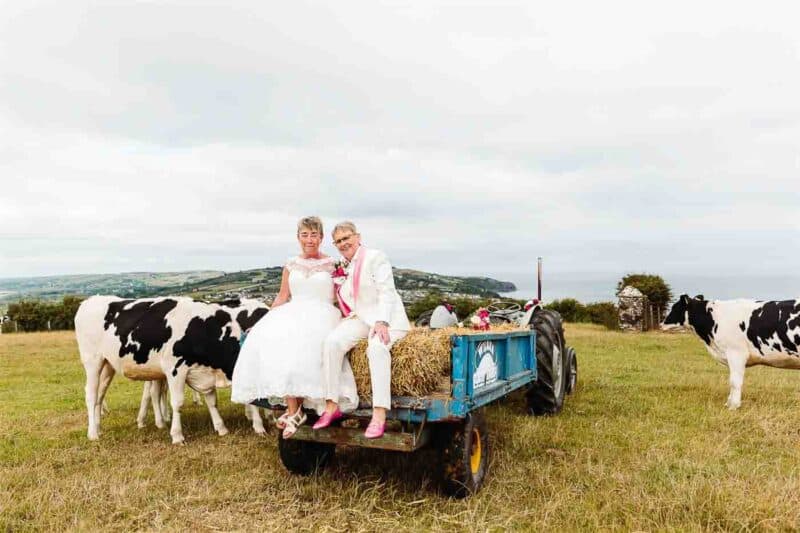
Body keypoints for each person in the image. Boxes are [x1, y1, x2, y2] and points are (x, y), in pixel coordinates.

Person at [231, 216, 358, 438]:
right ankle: (294, 410)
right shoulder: (291, 264)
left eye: (314, 234)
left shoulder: (333, 264)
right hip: (294, 311)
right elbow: (282, 296)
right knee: (281, 341)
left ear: (321, 237)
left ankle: (298, 411)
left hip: (324, 313)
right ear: (298, 237)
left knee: (308, 344)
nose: (309, 239)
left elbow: (342, 296)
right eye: (305, 234)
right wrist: (264, 321)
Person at [314, 221, 411, 439]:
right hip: (360, 318)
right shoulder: (342, 265)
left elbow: (387, 291)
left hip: (388, 319)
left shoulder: (376, 257)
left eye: (346, 238)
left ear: (357, 237)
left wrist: (382, 321)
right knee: (332, 342)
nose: (343, 243)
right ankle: (331, 405)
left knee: (376, 348)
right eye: (338, 241)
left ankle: (379, 414)